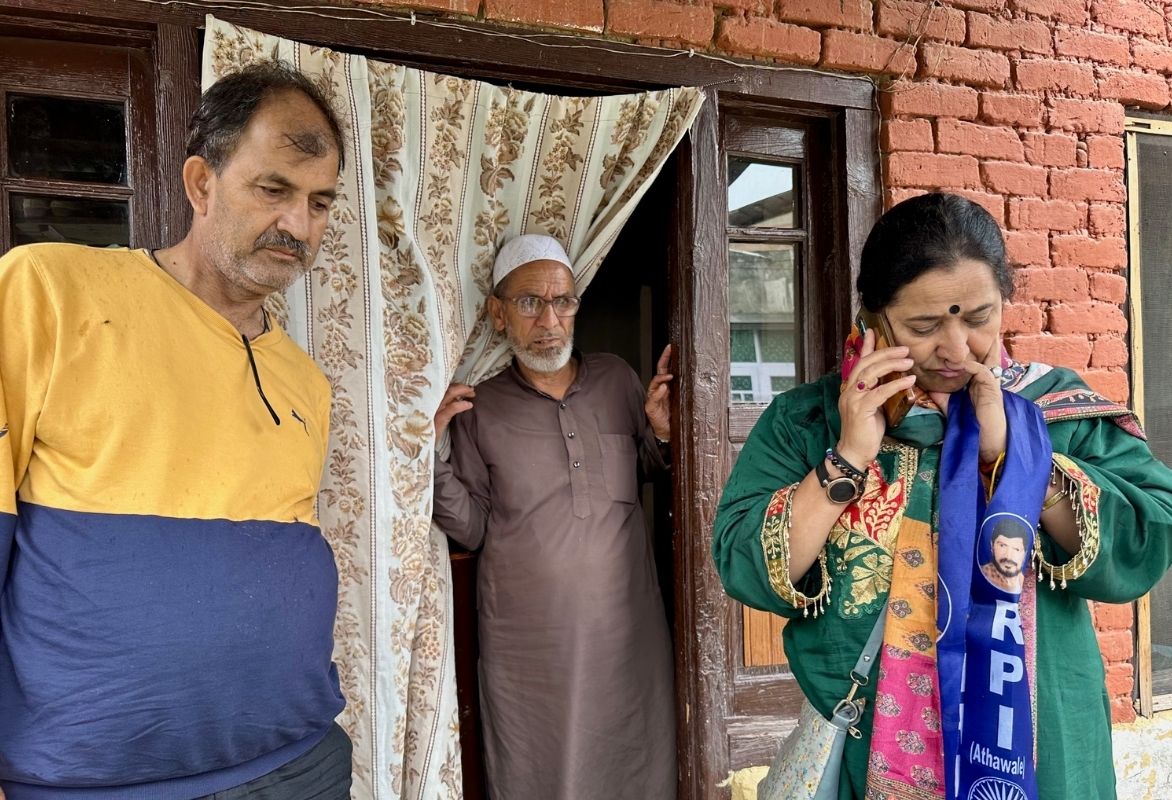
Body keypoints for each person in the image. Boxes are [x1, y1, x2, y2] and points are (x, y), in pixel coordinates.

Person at [712, 193, 1172, 800]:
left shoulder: (1053, 410)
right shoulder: (806, 422)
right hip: (876, 743)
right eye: (923, 326)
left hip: (1042, 742)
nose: (957, 348)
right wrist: (850, 457)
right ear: (873, 317)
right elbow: (743, 563)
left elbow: (1159, 527)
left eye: (979, 317)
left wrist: (1018, 460)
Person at [0, 62, 352, 799]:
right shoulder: (47, 291)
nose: (299, 225)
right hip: (97, 781)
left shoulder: (305, 382)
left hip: (298, 760)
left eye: (320, 202)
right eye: (274, 189)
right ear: (200, 183)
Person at [432, 234, 676, 800]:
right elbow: (470, 527)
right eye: (528, 303)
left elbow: (643, 467)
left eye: (562, 301)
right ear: (498, 314)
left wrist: (662, 431)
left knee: (639, 768)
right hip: (529, 648)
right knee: (540, 775)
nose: (549, 319)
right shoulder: (479, 407)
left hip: (627, 632)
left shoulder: (617, 379)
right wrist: (433, 452)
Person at [982, 520, 1029, 594]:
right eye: (1002, 546)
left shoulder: (1023, 580)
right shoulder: (982, 575)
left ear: (1025, 553)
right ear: (992, 545)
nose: (1008, 556)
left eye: (1016, 549)